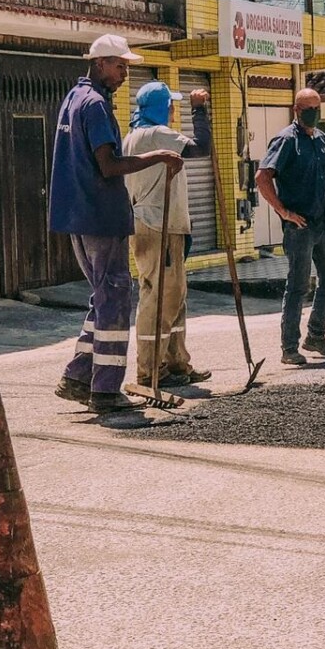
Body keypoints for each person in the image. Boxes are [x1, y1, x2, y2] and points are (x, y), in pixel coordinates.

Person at [50, 35, 184, 413]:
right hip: (99, 214)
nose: (125, 73)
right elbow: (109, 166)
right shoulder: (94, 105)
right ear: (100, 63)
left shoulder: (74, 98)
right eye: (120, 66)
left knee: (103, 297)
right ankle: (106, 390)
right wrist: (158, 155)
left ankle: (77, 377)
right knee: (115, 298)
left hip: (80, 214)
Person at [123, 81, 214, 388]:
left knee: (174, 296)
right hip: (157, 225)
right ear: (162, 108)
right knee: (160, 297)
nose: (175, 111)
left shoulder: (133, 137)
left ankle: (176, 364)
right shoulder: (156, 135)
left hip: (156, 224)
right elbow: (201, 147)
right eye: (172, 106)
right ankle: (150, 369)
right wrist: (199, 110)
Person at [256, 88, 325, 365]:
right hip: (300, 226)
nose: (313, 114)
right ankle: (289, 347)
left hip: (322, 224)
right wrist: (283, 212)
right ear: (296, 110)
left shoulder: (323, 140)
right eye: (308, 109)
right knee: (298, 285)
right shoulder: (286, 141)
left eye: (317, 108)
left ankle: (316, 334)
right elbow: (262, 177)